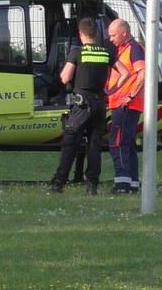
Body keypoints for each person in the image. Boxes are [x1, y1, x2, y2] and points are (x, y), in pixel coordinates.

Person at [49, 17, 116, 196]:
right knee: (94, 147)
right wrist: (111, 90)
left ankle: (59, 183)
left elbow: (65, 78)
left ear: (80, 34)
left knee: (70, 145)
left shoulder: (77, 52)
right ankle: (92, 186)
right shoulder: (105, 53)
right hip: (100, 105)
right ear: (96, 33)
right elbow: (124, 72)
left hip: (81, 106)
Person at [105, 18, 146, 193]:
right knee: (127, 145)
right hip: (123, 104)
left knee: (118, 143)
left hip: (127, 104)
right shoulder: (123, 49)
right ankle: (132, 184)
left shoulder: (134, 49)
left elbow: (143, 74)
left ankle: (122, 184)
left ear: (124, 33)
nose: (111, 39)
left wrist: (130, 95)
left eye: (113, 35)